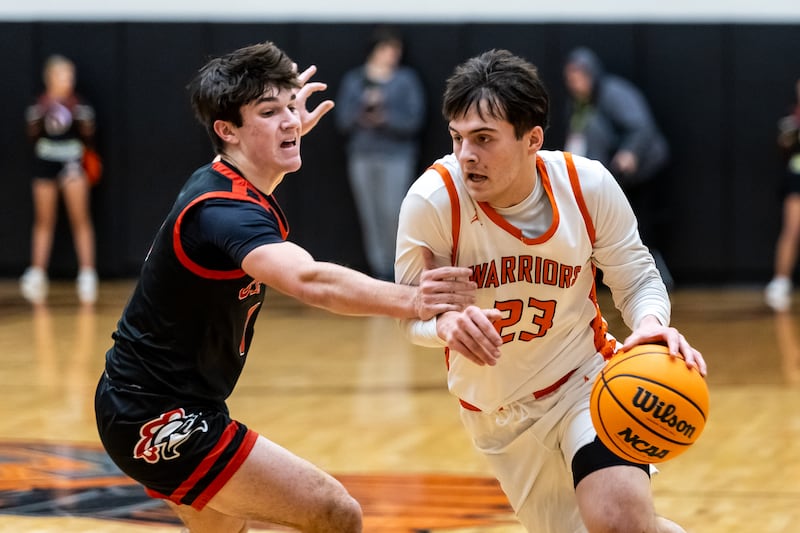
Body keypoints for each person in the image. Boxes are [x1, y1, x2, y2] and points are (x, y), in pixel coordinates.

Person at [93, 42, 476, 533]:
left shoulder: (230, 180)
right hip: (156, 413)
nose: (291, 121)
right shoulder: (223, 209)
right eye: (269, 112)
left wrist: (283, 131)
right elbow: (309, 279)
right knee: (335, 512)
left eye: (290, 108)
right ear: (226, 131)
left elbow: (268, 152)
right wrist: (416, 299)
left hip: (161, 402)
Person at [395, 49, 707, 533]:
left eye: (483, 139)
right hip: (497, 412)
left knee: (619, 519)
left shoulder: (587, 186)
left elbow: (638, 275)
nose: (465, 155)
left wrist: (649, 325)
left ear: (531, 139)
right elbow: (407, 313)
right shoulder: (433, 202)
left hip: (585, 382)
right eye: (457, 138)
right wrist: (443, 324)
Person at [563, 46, 673, 289]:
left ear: (591, 74)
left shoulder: (614, 93)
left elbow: (640, 126)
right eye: (570, 80)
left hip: (643, 170)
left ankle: (651, 277)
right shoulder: (579, 104)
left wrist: (630, 152)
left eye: (579, 78)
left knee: (640, 224)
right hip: (613, 175)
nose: (575, 84)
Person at [335, 26, 426, 280]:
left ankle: (401, 267)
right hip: (362, 156)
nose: (392, 55)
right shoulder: (355, 80)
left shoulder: (406, 80)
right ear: (375, 49)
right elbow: (343, 120)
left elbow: (413, 121)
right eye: (387, 49)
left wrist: (385, 117)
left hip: (396, 156)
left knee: (393, 212)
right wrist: (363, 111)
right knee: (370, 214)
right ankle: (380, 269)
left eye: (396, 50)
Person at [21, 54, 99, 305]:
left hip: (72, 164)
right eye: (63, 74)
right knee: (44, 219)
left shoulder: (80, 107)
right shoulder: (38, 107)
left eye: (71, 74)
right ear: (50, 77)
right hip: (45, 162)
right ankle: (37, 271)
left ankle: (87, 272)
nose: (68, 79)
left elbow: (89, 135)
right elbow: (32, 135)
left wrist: (79, 118)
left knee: (80, 217)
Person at [765, 78, 800, 312]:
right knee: (792, 228)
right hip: (797, 179)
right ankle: (781, 281)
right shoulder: (791, 121)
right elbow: (784, 147)